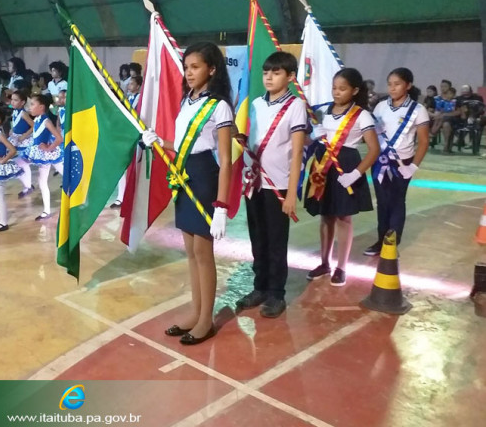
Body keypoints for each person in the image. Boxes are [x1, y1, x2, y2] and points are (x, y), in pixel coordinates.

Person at [141, 42, 233, 344]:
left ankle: (207, 319)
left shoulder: (219, 106)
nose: (189, 72)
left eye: (195, 67)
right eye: (186, 66)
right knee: (191, 252)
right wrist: (157, 140)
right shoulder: (188, 101)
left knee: (204, 254)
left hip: (205, 177)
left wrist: (221, 206)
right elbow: (182, 145)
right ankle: (196, 312)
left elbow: (224, 157)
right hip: (184, 175)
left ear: (212, 69)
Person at [236, 51, 307, 318]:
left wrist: (291, 192)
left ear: (290, 77)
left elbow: (297, 153)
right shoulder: (254, 104)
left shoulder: (295, 106)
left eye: (276, 72)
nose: (269, 77)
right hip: (253, 182)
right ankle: (260, 286)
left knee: (277, 241)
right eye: (266, 72)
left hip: (277, 185)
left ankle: (277, 293)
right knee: (258, 238)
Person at [304, 69, 379, 286]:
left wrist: (356, 173)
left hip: (346, 165)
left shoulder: (362, 115)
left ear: (355, 90)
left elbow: (374, 150)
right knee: (325, 215)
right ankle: (324, 263)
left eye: (342, 89)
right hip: (322, 166)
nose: (337, 92)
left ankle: (341, 267)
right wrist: (313, 137)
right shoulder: (325, 111)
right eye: (334, 88)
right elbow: (311, 142)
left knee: (344, 218)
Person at [364, 68, 430, 256]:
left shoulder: (418, 110)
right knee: (382, 202)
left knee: (397, 201)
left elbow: (424, 141)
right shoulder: (380, 107)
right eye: (390, 84)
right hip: (380, 161)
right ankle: (380, 240)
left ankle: (392, 242)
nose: (392, 88)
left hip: (402, 163)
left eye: (397, 84)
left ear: (408, 86)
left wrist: (413, 166)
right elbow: (372, 135)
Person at [22, 94, 63, 220]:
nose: (30, 107)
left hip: (47, 154)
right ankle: (46, 211)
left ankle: (82, 197)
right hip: (42, 153)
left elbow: (59, 138)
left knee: (65, 175)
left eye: (33, 104)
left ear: (41, 107)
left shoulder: (46, 121)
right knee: (43, 180)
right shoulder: (37, 120)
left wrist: (49, 149)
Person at [111, 75, 143, 209]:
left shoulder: (141, 98)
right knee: (123, 167)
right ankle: (121, 197)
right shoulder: (127, 98)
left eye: (131, 84)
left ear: (138, 86)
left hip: (138, 136)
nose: (128, 86)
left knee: (139, 168)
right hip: (127, 136)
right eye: (128, 84)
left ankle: (137, 196)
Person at [8, 89, 34, 198]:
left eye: (15, 100)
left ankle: (28, 186)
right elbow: (16, 124)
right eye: (12, 100)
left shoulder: (23, 113)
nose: (12, 102)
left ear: (22, 102)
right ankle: (28, 186)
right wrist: (12, 130)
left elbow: (33, 126)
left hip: (24, 141)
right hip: (16, 139)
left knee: (21, 163)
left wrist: (24, 135)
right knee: (19, 163)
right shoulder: (15, 111)